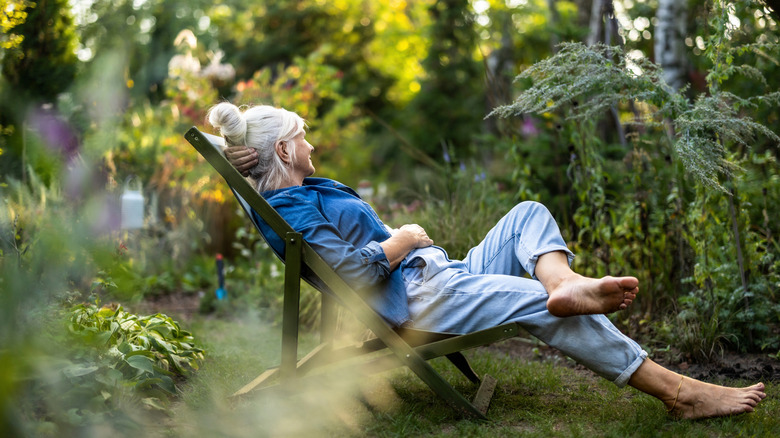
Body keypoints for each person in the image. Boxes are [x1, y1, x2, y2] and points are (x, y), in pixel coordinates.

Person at [207, 102, 766, 420]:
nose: (312, 142)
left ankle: (566, 281)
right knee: (535, 303)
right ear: (283, 150)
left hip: (439, 274)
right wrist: (401, 241)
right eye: (303, 137)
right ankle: (680, 393)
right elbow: (352, 273)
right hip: (421, 297)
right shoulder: (294, 210)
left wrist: (241, 158)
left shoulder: (298, 191)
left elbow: (260, 185)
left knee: (527, 213)